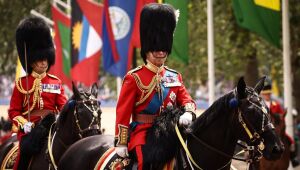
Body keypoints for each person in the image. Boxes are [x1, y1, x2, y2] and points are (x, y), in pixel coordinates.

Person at [114, 3, 196, 170]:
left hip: (172, 132)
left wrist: (188, 112)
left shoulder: (174, 76)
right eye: (156, 49)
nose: (160, 53)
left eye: (163, 49)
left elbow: (187, 99)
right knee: (145, 162)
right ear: (146, 50)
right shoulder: (134, 77)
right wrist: (121, 142)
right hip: (143, 133)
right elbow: (123, 113)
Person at [8, 16, 67, 170]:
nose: (44, 62)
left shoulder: (56, 82)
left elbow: (62, 106)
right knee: (25, 152)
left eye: (46, 58)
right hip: (30, 128)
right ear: (31, 60)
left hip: (52, 126)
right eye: (40, 59)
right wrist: (23, 124)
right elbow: (14, 111)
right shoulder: (21, 84)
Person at [261, 78, 299, 167]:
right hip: (264, 129)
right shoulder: (261, 104)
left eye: (268, 94)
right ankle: (250, 157)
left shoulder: (276, 104)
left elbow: (281, 116)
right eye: (265, 94)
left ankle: (293, 158)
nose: (267, 95)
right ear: (263, 94)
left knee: (291, 141)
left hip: (275, 129)